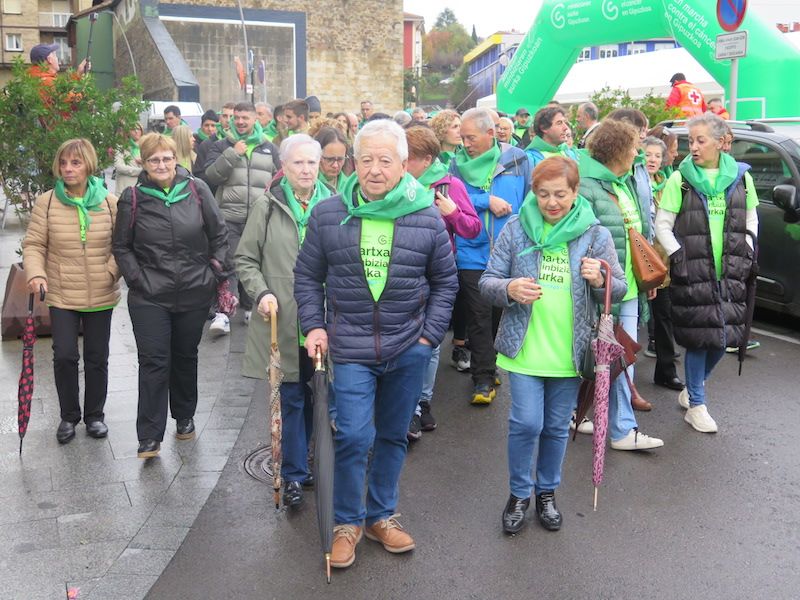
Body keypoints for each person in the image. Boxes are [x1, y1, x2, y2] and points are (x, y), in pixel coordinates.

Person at [294, 119, 458, 569]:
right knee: (352, 435)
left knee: (392, 434)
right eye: (366, 159)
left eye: (385, 160)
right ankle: (347, 522)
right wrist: (313, 326)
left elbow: (445, 283)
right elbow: (307, 276)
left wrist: (427, 337)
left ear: (404, 164)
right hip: (349, 348)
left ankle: (380, 515)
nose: (375, 169)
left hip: (408, 347)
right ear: (354, 162)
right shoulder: (328, 214)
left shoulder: (425, 215)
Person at [480, 156, 626, 534]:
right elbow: (487, 282)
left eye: (560, 194)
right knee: (526, 422)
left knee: (557, 427)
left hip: (570, 351)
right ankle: (519, 494)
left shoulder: (594, 234)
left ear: (575, 192)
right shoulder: (516, 228)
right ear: (534, 193)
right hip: (525, 347)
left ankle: (547, 492)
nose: (552, 202)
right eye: (543, 194)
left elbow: (620, 288)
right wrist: (509, 288)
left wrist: (601, 279)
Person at [113, 133, 231, 458]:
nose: (161, 164)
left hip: (194, 290)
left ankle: (184, 415)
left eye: (166, 158)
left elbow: (219, 234)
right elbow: (121, 246)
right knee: (153, 361)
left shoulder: (197, 189)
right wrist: (138, 280)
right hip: (150, 295)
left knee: (184, 355)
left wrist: (213, 271)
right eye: (154, 159)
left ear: (176, 159)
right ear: (144, 163)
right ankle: (149, 436)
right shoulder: (132, 198)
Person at [236, 134, 331, 506]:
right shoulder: (267, 206)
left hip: (322, 319)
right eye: (298, 163)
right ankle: (294, 474)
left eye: (312, 162)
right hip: (283, 318)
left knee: (317, 394)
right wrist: (261, 292)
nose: (306, 170)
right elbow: (246, 259)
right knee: (290, 396)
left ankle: (308, 459)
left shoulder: (334, 205)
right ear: (284, 167)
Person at [655, 114, 758, 433]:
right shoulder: (680, 179)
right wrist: (680, 257)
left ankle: (693, 387)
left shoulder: (741, 178)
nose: (694, 147)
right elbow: (662, 225)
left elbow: (751, 219)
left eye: (701, 140)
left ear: (720, 142)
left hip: (731, 271)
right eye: (691, 141)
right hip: (694, 272)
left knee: (723, 339)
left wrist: (748, 251)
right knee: (699, 340)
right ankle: (696, 405)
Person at [23, 138, 119, 444]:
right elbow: (34, 244)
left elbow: (122, 244)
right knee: (64, 355)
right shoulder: (47, 202)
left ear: (88, 165)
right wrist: (36, 273)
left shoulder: (109, 202)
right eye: (63, 163)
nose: (68, 169)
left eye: (75, 163)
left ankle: (95, 416)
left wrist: (111, 271)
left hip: (100, 292)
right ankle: (68, 416)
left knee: (97, 357)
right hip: (62, 291)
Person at [579, 119, 663, 451]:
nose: (637, 154)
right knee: (612, 358)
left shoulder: (621, 183)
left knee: (621, 359)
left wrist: (644, 280)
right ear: (617, 151)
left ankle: (614, 426)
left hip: (626, 288)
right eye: (633, 148)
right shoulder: (587, 187)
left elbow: (635, 234)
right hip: (603, 293)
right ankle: (620, 429)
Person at [404, 125, 481, 440]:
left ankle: (422, 402)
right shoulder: (396, 182)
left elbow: (472, 229)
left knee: (431, 341)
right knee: (407, 340)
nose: (401, 162)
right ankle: (409, 409)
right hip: (403, 272)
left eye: (407, 157)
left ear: (426, 159)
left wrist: (453, 213)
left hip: (437, 272)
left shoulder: (449, 185)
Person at [450, 107, 531, 405]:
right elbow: (448, 198)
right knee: (479, 317)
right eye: (462, 138)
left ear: (490, 133)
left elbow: (531, 199)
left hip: (508, 253)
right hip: (471, 252)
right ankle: (482, 379)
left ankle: (490, 363)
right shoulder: (456, 164)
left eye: (470, 138)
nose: (466, 144)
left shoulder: (518, 159)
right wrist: (486, 200)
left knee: (499, 314)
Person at [204, 102, 281, 333]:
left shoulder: (269, 147)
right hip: (229, 215)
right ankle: (224, 313)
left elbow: (279, 180)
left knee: (254, 262)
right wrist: (232, 154)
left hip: (259, 217)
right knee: (228, 263)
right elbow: (210, 176)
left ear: (255, 119)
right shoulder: (221, 145)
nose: (240, 122)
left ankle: (248, 307)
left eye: (245, 118)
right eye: (236, 117)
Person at [643, 136, 684, 391]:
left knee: (664, 317)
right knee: (627, 320)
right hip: (638, 262)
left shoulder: (667, 184)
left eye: (657, 156)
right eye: (648, 154)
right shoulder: (632, 182)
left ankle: (666, 372)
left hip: (661, 263)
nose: (653, 160)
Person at [525, 105, 577, 170]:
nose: (565, 128)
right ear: (544, 127)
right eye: (559, 123)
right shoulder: (529, 159)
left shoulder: (571, 153)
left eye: (565, 123)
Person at [314, 126, 349, 192]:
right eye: (330, 159)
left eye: (340, 159)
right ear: (318, 156)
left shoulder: (350, 186)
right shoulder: (309, 186)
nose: (335, 165)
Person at [114, 123, 143, 193]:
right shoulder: (121, 147)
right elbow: (119, 167)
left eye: (138, 129)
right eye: (133, 129)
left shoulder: (145, 148)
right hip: (124, 190)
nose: (136, 131)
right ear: (127, 132)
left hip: (141, 189)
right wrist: (141, 171)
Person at [193, 110, 220, 184]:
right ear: (201, 126)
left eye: (213, 125)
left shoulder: (220, 143)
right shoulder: (193, 143)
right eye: (206, 125)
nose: (210, 129)